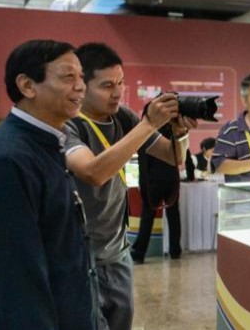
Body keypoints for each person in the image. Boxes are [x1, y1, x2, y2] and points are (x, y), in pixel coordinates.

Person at [64, 43, 194, 323]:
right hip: (82, 255)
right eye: (107, 85)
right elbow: (93, 172)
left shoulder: (122, 116)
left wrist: (180, 131)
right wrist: (148, 124)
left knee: (122, 322)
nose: (117, 92)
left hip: (118, 249)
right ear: (82, 86)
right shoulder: (70, 124)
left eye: (121, 82)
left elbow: (173, 157)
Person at [0, 39, 95, 329]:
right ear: (28, 86)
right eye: (68, 77)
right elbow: (15, 274)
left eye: (81, 77)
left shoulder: (47, 143)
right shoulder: (7, 160)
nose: (80, 86)